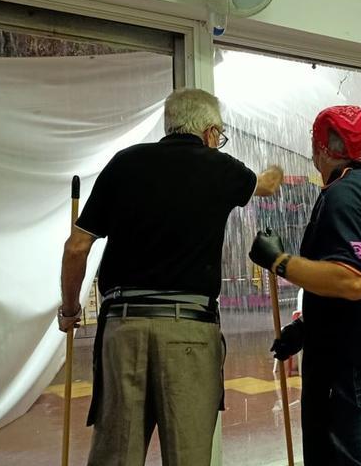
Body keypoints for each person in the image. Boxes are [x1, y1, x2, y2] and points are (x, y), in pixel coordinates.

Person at [58, 88, 283, 465]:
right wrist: (274, 168)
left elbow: (76, 248)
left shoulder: (124, 163)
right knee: (188, 456)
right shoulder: (222, 167)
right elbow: (266, 185)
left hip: (123, 328)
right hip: (189, 334)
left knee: (116, 455)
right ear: (211, 133)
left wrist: (69, 311)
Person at [248, 105, 361, 466]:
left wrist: (280, 261)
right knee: (337, 453)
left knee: (345, 459)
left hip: (349, 351)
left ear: (321, 147)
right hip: (356, 340)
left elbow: (351, 280)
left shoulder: (346, 195)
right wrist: (306, 329)